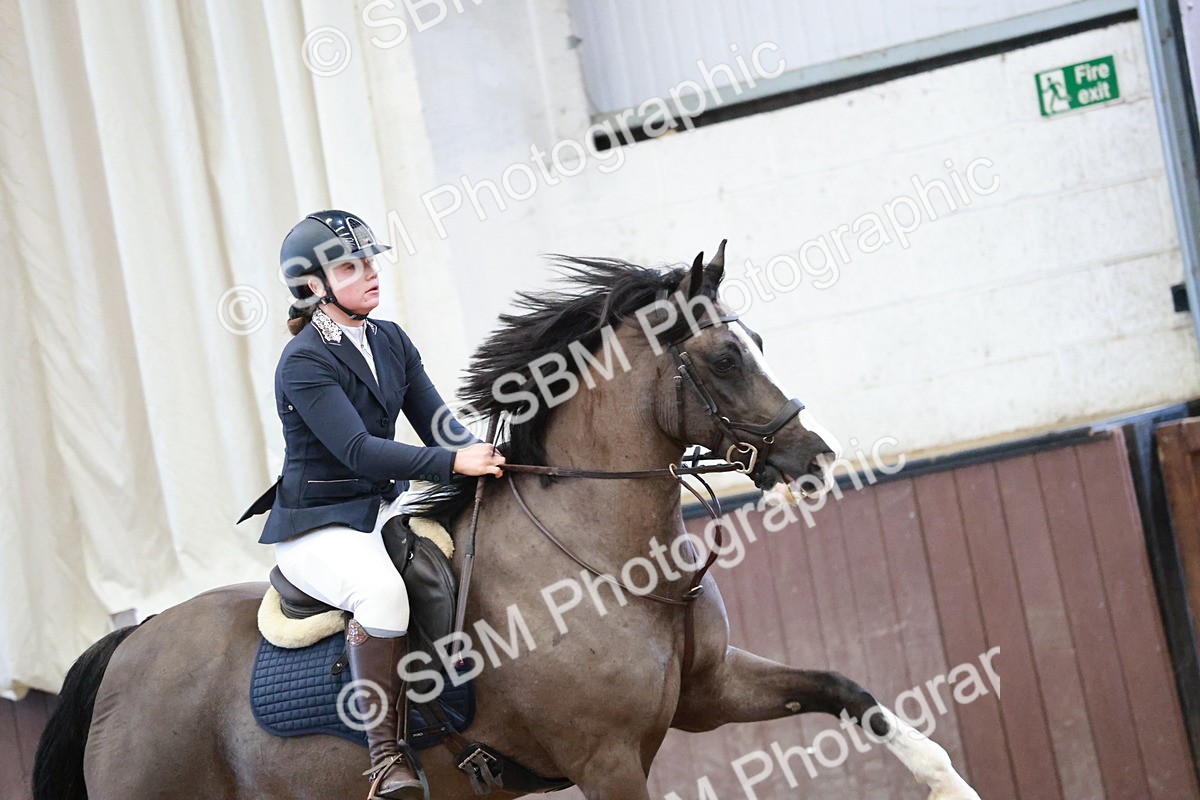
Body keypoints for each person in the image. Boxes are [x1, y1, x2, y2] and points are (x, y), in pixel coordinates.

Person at [239, 210, 505, 799]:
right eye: (351, 267)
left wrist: (488, 454)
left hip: (380, 509)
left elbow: (437, 424)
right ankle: (386, 759)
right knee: (381, 593)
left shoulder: (390, 340)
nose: (370, 273)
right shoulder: (304, 361)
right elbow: (358, 451)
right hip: (317, 524)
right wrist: (451, 463)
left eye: (370, 262)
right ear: (314, 286)